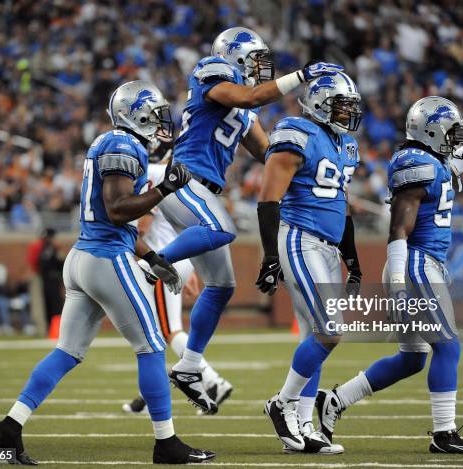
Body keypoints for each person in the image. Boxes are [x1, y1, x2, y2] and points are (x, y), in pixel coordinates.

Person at [0, 80, 215, 464]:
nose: (161, 122)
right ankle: (166, 443)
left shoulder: (110, 143)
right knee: (153, 347)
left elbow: (117, 222)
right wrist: (164, 190)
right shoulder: (123, 145)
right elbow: (118, 209)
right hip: (106, 258)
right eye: (154, 115)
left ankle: (9, 427)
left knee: (67, 352)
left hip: (86, 257)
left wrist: (154, 258)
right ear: (135, 113)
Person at [155, 26, 344, 414]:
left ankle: (190, 366)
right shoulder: (211, 72)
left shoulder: (245, 110)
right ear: (234, 56)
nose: (260, 68)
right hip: (183, 179)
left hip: (204, 190)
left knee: (221, 285)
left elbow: (266, 151)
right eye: (255, 60)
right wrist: (302, 76)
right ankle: (153, 262)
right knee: (223, 229)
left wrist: (310, 161)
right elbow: (251, 93)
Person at [315, 96, 463, 454]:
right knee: (448, 346)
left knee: (412, 358)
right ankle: (444, 433)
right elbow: (398, 231)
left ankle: (335, 400)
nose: (455, 140)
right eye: (450, 132)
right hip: (416, 265)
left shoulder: (435, 162)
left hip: (420, 266)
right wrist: (400, 284)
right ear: (430, 131)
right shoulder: (415, 164)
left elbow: (458, 164)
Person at [256, 72, 363, 453]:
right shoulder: (295, 132)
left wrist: (352, 257)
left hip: (329, 247)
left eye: (351, 104)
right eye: (342, 104)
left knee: (314, 335)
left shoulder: (344, 144)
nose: (349, 112)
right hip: (300, 239)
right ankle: (281, 403)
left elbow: (341, 204)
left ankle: (303, 424)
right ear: (319, 102)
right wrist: (270, 255)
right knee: (330, 329)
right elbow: (268, 199)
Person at [123, 147, 233, 415]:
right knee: (155, 331)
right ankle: (147, 398)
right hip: (180, 257)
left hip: (162, 261)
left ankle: (211, 380)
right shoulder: (179, 179)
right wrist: (193, 269)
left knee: (168, 331)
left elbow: (143, 226)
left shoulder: (152, 177)